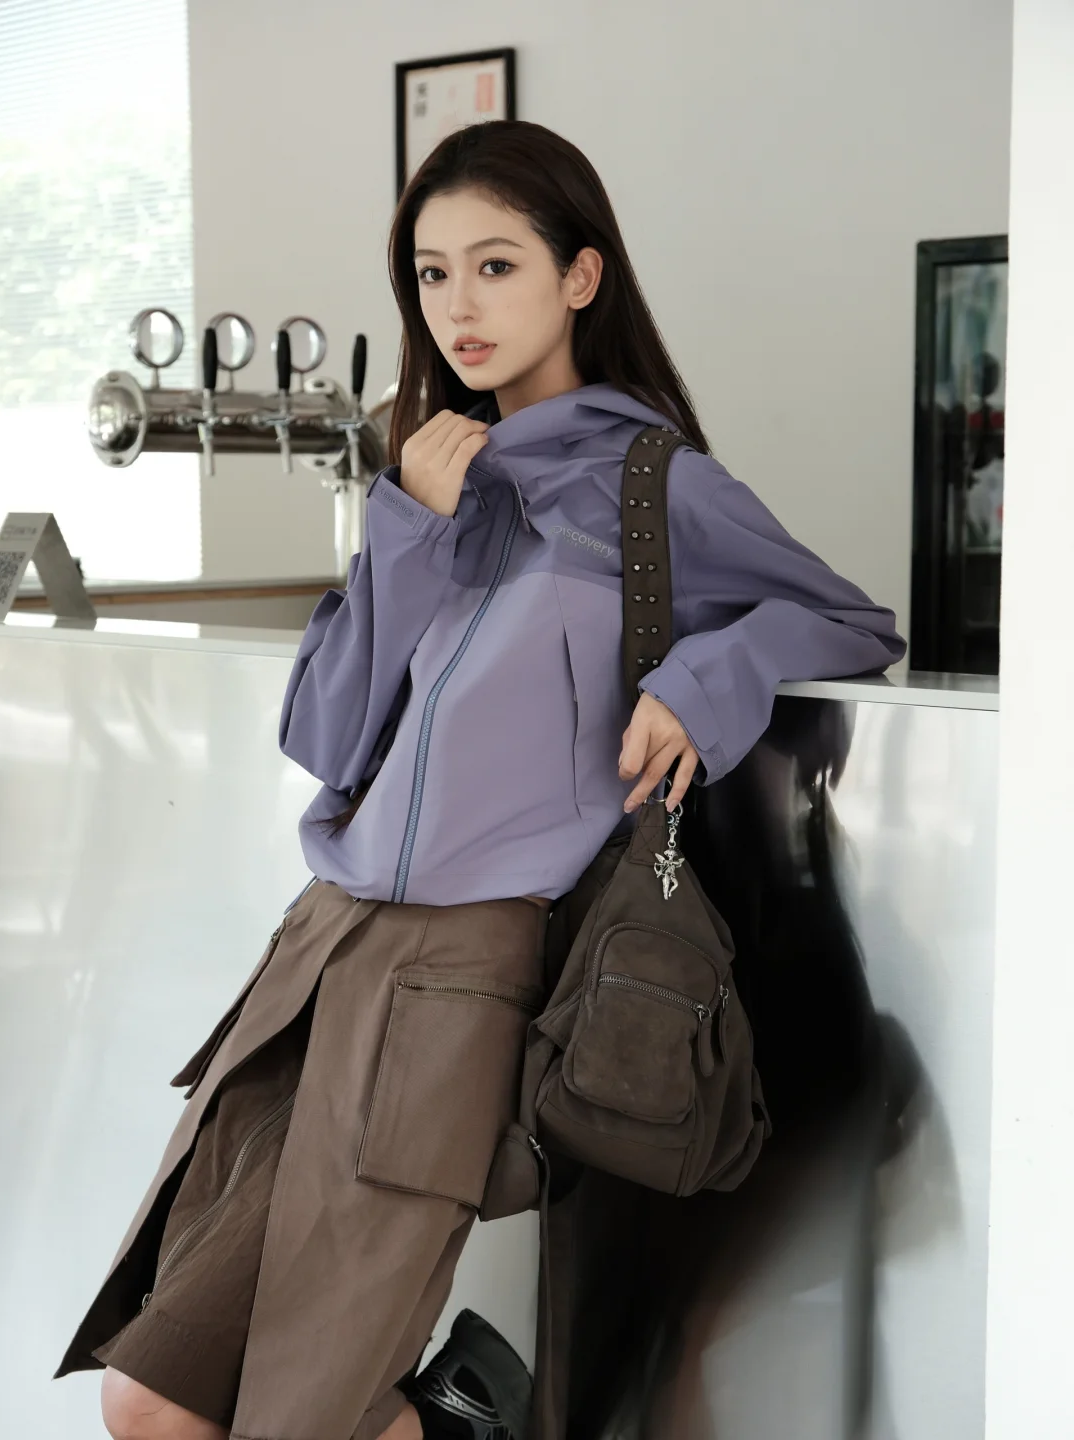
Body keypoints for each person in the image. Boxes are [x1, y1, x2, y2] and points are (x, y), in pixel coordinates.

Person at [55, 120, 905, 1440]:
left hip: (460, 982)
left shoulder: (653, 486)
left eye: (496, 266)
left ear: (580, 277)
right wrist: (402, 527)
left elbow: (850, 622)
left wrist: (709, 676)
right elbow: (327, 733)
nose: (458, 306)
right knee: (148, 1399)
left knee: (299, 1414)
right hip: (316, 958)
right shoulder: (428, 477)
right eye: (432, 273)